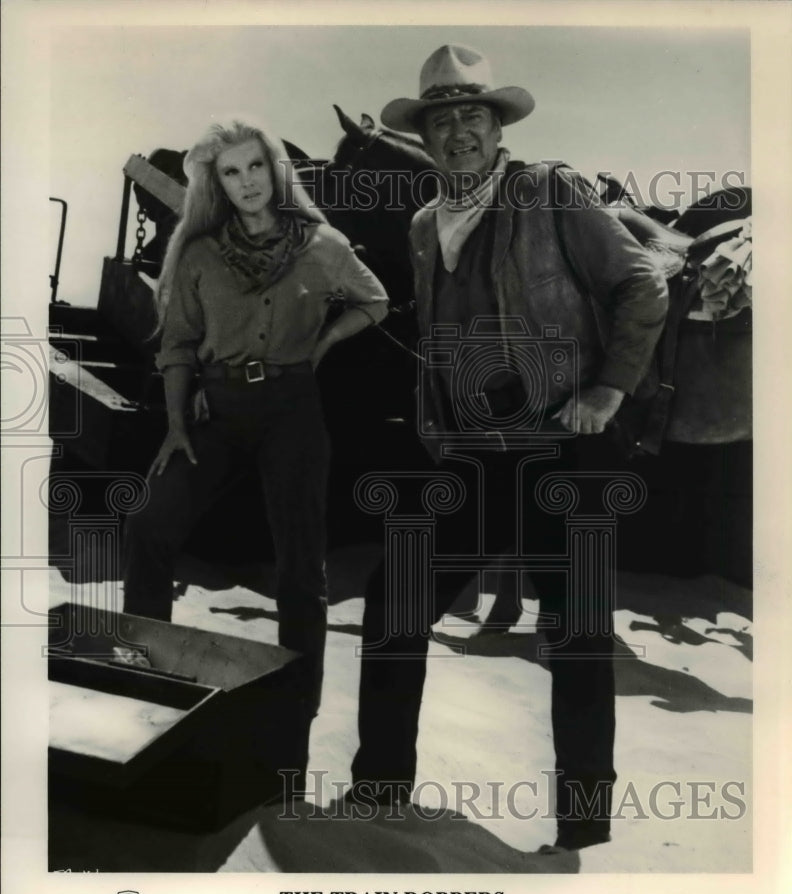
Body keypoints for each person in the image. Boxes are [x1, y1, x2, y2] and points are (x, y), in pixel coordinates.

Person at [347, 45, 669, 850]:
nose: (457, 133)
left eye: (472, 117)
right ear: (424, 137)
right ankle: (379, 790)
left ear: (498, 129)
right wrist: (435, 431)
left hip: (566, 450)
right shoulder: (426, 224)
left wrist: (608, 391)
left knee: (578, 636)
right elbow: (435, 332)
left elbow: (643, 282)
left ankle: (583, 832)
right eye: (442, 121)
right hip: (473, 458)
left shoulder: (551, 192)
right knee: (395, 605)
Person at [122, 118, 389, 783]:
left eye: (255, 167)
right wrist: (177, 423)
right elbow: (178, 345)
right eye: (230, 172)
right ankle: (149, 690)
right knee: (150, 528)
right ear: (217, 183)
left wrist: (325, 343)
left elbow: (375, 299)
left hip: (292, 413)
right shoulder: (198, 252)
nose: (246, 182)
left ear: (275, 170)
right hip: (216, 414)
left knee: (300, 570)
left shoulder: (321, 244)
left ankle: (292, 722)